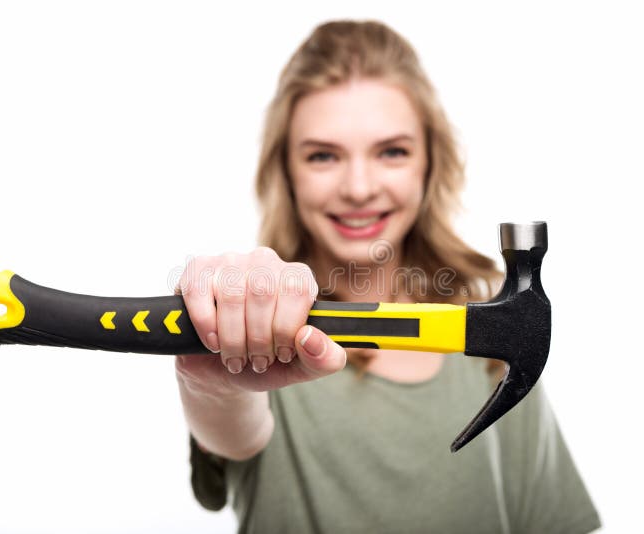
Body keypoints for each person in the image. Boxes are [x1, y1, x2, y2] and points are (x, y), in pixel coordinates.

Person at [174, 19, 601, 534]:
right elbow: (230, 423)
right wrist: (217, 380)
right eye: (323, 156)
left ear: (429, 162)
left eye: (392, 151)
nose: (359, 187)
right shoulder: (259, 334)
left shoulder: (495, 353)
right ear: (286, 171)